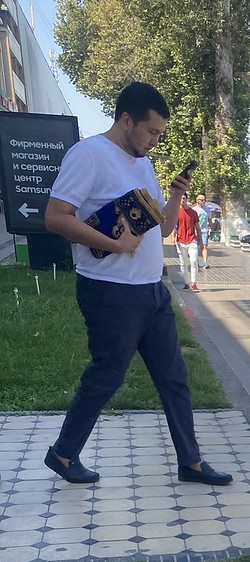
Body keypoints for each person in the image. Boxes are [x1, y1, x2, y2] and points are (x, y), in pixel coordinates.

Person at [43, 81, 232, 487]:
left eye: (160, 134)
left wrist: (176, 196)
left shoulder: (143, 164)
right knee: (107, 376)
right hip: (109, 290)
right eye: (151, 131)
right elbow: (55, 217)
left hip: (151, 290)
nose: (154, 141)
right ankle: (62, 453)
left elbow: (162, 229)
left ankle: (191, 462)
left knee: (174, 378)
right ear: (126, 120)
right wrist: (115, 243)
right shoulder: (89, 155)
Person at [175, 193, 201, 291]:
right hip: (180, 241)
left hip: (192, 240)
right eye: (180, 198)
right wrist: (173, 238)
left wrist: (201, 242)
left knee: (193, 261)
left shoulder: (193, 213)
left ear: (186, 199)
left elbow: (197, 227)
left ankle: (194, 283)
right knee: (183, 263)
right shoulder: (176, 212)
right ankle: (186, 282)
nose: (182, 200)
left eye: (184, 198)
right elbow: (174, 227)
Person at [192, 193, 210, 269]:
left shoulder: (207, 210)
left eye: (204, 200)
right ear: (197, 200)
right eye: (201, 200)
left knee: (204, 246)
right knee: (195, 247)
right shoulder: (194, 209)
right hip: (195, 231)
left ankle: (205, 262)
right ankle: (196, 261)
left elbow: (209, 219)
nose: (203, 201)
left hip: (204, 230)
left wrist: (212, 229)